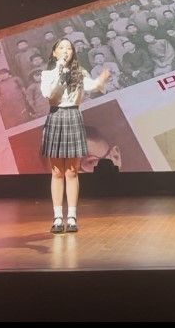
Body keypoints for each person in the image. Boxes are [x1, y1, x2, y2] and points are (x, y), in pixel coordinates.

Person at [40, 38, 112, 233]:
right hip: (56, 116)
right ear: (54, 53)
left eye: (69, 48)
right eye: (61, 48)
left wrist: (101, 80)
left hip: (73, 116)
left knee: (72, 171)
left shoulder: (80, 72)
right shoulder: (47, 74)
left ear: (73, 53)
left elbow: (92, 86)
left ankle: (71, 217)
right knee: (57, 172)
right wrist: (60, 72)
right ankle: (57, 217)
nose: (65, 51)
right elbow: (50, 95)